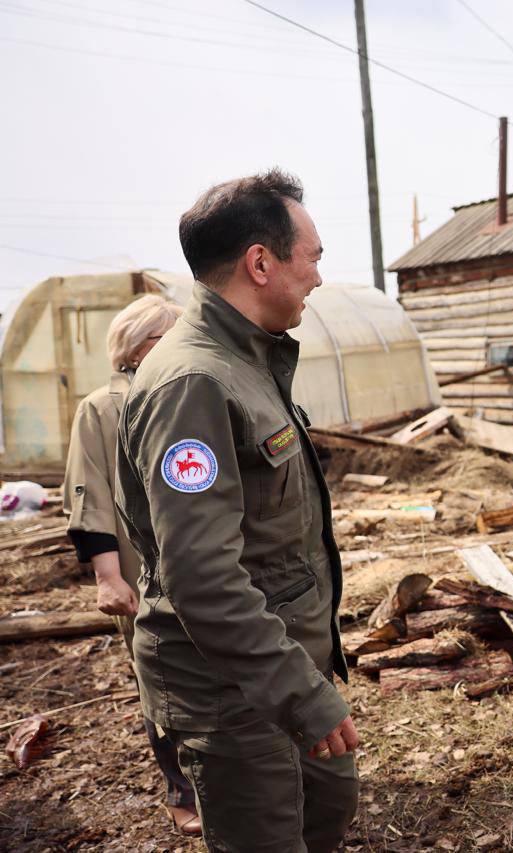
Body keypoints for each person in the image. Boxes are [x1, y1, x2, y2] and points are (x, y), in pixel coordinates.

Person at [116, 169, 359, 851]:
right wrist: (299, 694)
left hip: (280, 672)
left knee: (326, 818)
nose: (316, 275)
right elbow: (201, 575)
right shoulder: (194, 380)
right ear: (261, 261)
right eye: (311, 256)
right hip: (234, 695)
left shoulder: (245, 361)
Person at [63, 294, 198, 836]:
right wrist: (107, 575)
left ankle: (232, 779)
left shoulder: (189, 396)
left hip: (202, 569)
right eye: (168, 336)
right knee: (162, 684)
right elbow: (87, 494)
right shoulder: (101, 408)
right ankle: (181, 790)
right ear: (138, 347)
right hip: (142, 575)